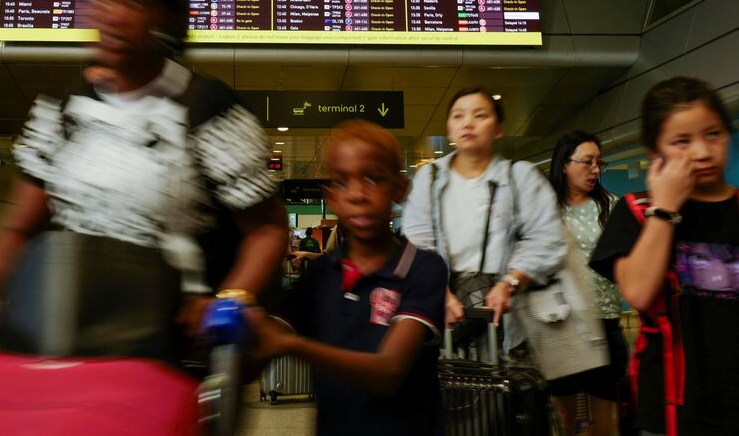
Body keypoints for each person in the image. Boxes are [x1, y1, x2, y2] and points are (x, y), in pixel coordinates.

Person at [0, 0, 289, 345]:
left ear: (164, 15)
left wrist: (226, 303)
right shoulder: (62, 111)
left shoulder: (206, 107)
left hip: (170, 342)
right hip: (60, 329)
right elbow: (23, 228)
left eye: (130, 1)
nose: (109, 14)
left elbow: (267, 228)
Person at [250, 120, 448, 436]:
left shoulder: (422, 268)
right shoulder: (319, 275)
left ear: (399, 188)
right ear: (331, 197)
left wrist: (290, 345)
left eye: (372, 178)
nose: (356, 194)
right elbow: (258, 349)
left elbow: (388, 370)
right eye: (342, 183)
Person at [591, 76, 738, 436]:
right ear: (655, 152)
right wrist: (666, 208)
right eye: (682, 142)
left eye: (713, 134)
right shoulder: (636, 212)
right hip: (673, 411)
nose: (702, 152)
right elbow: (638, 292)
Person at [401, 87, 567, 357]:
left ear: (499, 128)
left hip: (509, 310)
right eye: (458, 116)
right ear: (449, 128)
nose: (467, 123)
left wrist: (510, 283)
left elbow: (547, 237)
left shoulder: (520, 177)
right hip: (445, 305)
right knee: (451, 386)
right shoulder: (429, 179)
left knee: (504, 390)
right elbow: (418, 243)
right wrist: (441, 294)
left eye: (480, 115)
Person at [548, 131, 627, 436]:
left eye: (599, 162)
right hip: (563, 326)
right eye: (586, 162)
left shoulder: (610, 206)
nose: (595, 169)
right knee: (567, 421)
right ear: (564, 165)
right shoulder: (546, 210)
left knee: (606, 420)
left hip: (605, 321)